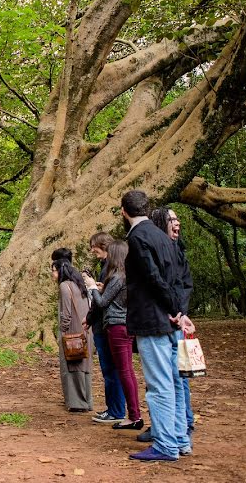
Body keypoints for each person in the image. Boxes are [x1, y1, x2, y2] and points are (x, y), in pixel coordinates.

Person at [121, 190, 191, 461]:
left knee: (159, 385)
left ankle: (165, 445)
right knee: (173, 382)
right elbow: (176, 279)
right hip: (170, 320)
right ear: (148, 210)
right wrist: (178, 310)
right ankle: (181, 439)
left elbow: (153, 278)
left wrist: (174, 309)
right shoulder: (163, 237)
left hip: (153, 320)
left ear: (123, 212)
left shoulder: (138, 238)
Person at [140, 206, 196, 443]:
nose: (177, 223)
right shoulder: (163, 249)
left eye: (178, 219)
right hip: (170, 319)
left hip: (173, 322)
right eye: (172, 219)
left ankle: (180, 425)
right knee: (172, 377)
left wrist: (179, 312)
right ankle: (177, 425)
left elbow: (182, 285)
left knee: (173, 378)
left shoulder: (176, 252)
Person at [84, 240, 143, 430]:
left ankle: (133, 415)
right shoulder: (124, 277)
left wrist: (92, 287)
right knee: (125, 371)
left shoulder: (118, 277)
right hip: (123, 326)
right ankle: (132, 414)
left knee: (124, 371)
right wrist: (101, 288)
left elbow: (102, 304)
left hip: (117, 327)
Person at [86, 232, 127, 425]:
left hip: (107, 325)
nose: (93, 253)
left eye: (95, 249)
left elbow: (101, 303)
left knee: (111, 370)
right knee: (110, 370)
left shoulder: (112, 270)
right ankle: (114, 407)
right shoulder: (107, 268)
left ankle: (116, 410)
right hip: (102, 323)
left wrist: (93, 287)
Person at [53, 256, 93, 412]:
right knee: (84, 366)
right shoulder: (79, 285)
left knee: (72, 366)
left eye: (53, 271)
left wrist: (62, 332)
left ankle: (76, 403)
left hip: (71, 333)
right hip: (85, 332)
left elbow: (66, 313)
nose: (52, 274)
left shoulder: (64, 286)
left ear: (60, 271)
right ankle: (86, 401)